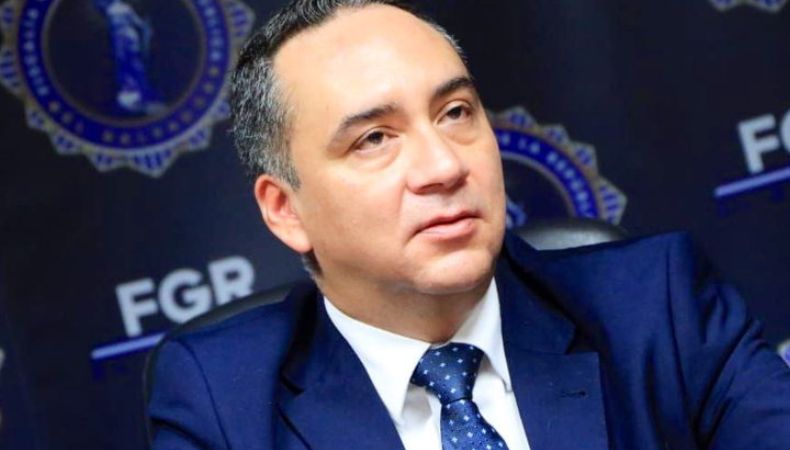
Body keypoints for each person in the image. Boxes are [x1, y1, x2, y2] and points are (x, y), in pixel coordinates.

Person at [146, 1, 790, 449]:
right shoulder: (222, 401)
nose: (444, 166)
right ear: (285, 210)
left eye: (455, 112)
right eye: (374, 139)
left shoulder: (658, 307)